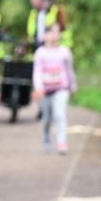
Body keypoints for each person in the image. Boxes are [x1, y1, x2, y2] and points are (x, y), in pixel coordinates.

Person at [32, 22, 77, 155]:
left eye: (57, 32)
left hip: (61, 88)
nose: (55, 35)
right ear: (45, 35)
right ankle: (46, 138)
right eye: (51, 32)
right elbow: (37, 72)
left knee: (60, 115)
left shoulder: (64, 51)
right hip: (45, 91)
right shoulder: (40, 53)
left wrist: (73, 86)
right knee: (46, 118)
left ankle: (62, 142)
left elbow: (69, 70)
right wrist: (38, 88)